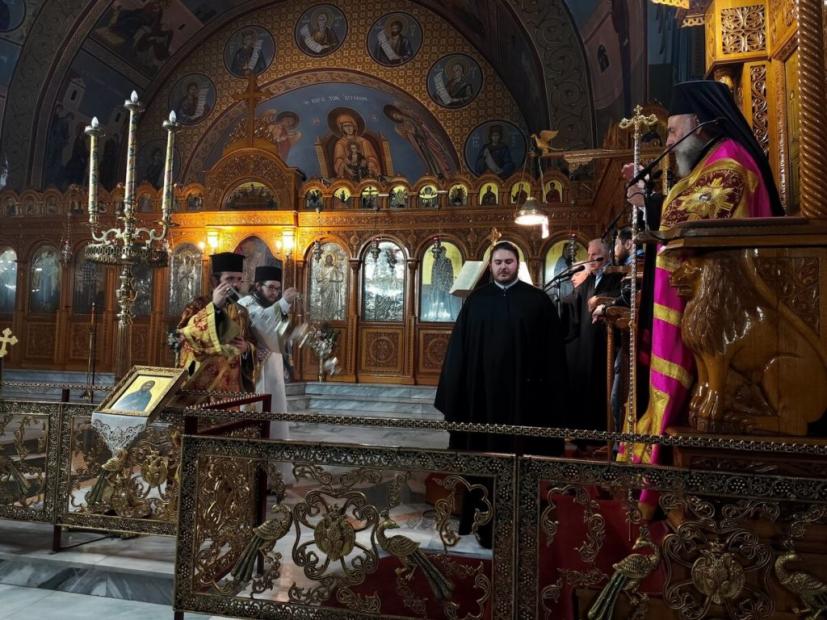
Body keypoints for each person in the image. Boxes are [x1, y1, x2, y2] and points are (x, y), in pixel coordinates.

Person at [618, 80, 784, 481]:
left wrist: (650, 203)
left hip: (728, 311)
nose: (669, 142)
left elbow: (694, 217)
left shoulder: (730, 162)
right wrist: (649, 199)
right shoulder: (713, 162)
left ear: (699, 124)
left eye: (673, 131)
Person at [435, 241, 567, 547]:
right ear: (490, 266)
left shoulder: (537, 301)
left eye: (508, 262)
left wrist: (554, 396)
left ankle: (524, 522)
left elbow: (553, 355)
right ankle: (483, 525)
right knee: (484, 463)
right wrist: (456, 395)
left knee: (524, 462)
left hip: (527, 403)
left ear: (517, 264)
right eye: (498, 262)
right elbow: (459, 354)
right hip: (482, 402)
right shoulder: (476, 302)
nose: (503, 267)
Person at [560, 239, 622, 434]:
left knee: (602, 386)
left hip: (606, 341)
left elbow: (621, 294)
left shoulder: (617, 274)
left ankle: (603, 433)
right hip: (586, 342)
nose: (591, 258)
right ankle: (584, 432)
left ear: (607, 254)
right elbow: (574, 302)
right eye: (589, 254)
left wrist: (601, 299)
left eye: (595, 254)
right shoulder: (589, 279)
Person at [177, 252, 256, 395]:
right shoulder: (197, 306)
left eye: (239, 279)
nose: (235, 284)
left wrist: (246, 348)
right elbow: (185, 337)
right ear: (215, 281)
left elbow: (250, 340)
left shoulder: (242, 311)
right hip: (202, 385)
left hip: (231, 388)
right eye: (230, 279)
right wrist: (214, 307)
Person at [238, 266, 297, 443]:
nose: (275, 293)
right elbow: (262, 324)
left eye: (278, 289)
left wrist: (293, 335)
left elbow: (281, 334)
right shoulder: (247, 303)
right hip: (254, 368)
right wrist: (284, 302)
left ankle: (275, 448)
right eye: (271, 287)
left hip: (274, 367)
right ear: (258, 286)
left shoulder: (274, 305)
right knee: (256, 409)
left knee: (275, 407)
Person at [332, 112, 380, 180]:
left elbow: (372, 157)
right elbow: (338, 160)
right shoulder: (340, 143)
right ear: (342, 129)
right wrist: (347, 168)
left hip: (364, 171)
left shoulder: (364, 141)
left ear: (354, 127)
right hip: (348, 173)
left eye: (350, 125)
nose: (348, 128)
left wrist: (367, 162)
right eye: (345, 126)